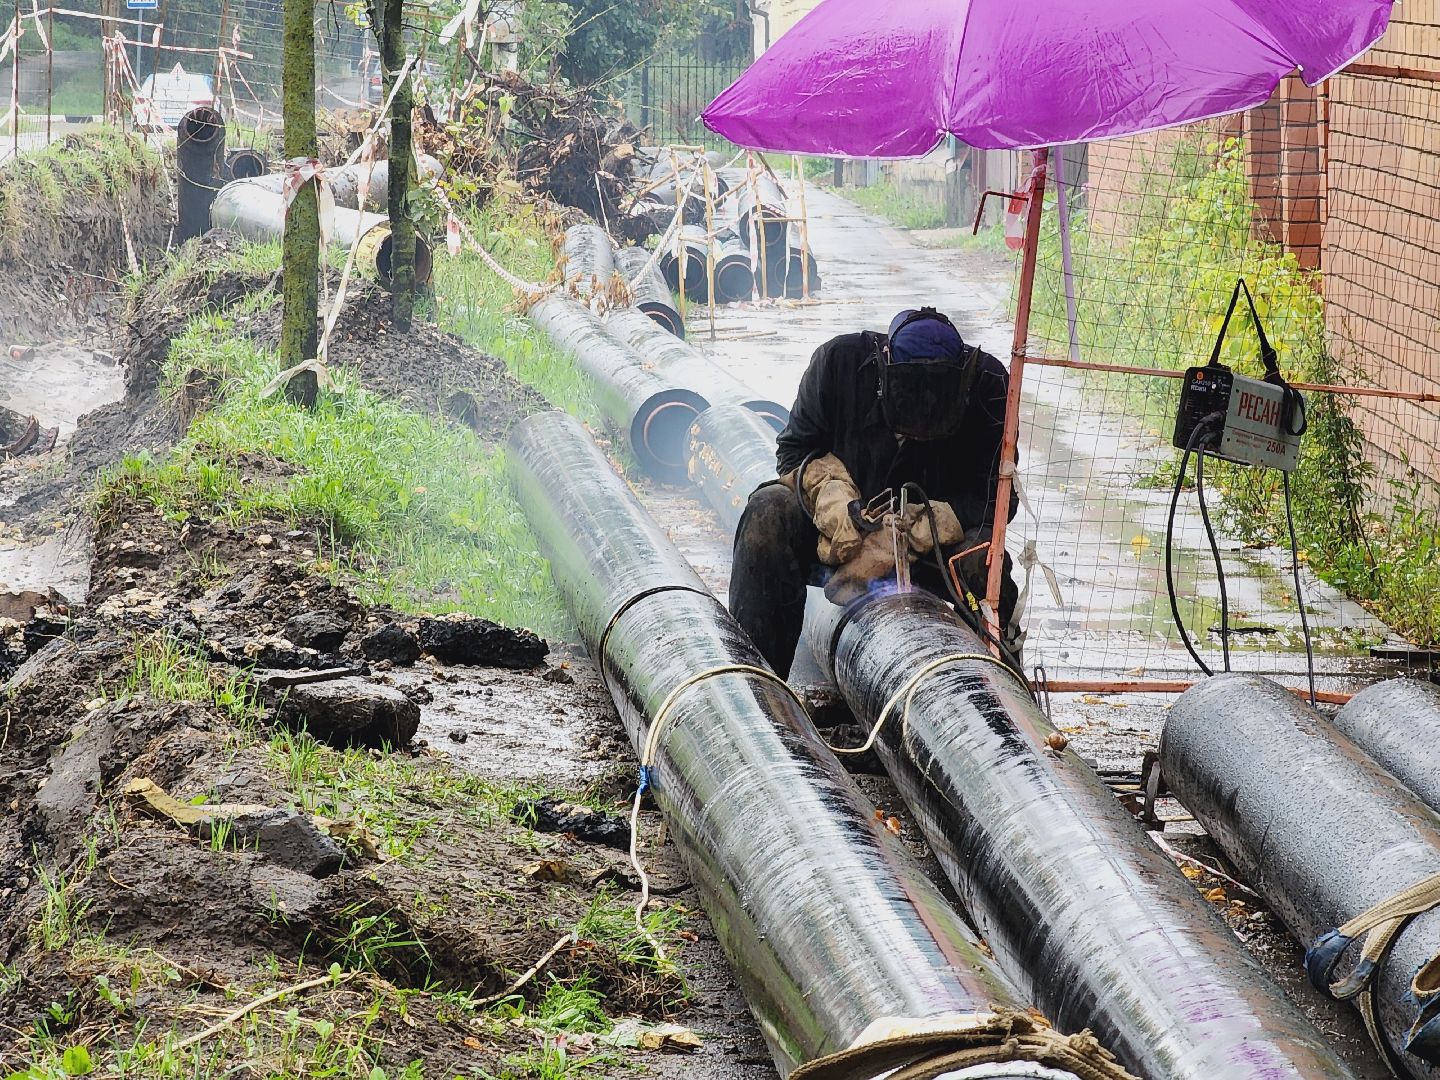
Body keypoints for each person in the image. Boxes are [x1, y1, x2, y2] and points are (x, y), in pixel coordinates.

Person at [729, 306, 1022, 678]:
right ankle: (758, 684)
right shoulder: (838, 363)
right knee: (767, 513)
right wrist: (830, 496)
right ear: (884, 374)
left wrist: (928, 524)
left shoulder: (989, 385)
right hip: (843, 536)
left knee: (984, 564)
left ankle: (996, 696)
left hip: (933, 552)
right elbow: (793, 452)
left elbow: (999, 497)